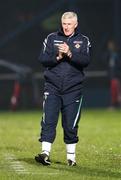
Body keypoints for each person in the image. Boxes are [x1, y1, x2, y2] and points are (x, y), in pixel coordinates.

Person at [35, 11, 91, 166]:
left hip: (73, 89)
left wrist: (70, 53)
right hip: (52, 87)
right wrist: (58, 56)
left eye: (69, 24)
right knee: (48, 121)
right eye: (64, 24)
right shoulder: (51, 38)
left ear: (76, 24)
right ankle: (45, 154)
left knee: (70, 124)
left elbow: (86, 61)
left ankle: (71, 158)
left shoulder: (83, 40)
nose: (66, 27)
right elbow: (42, 59)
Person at [106, 39, 121, 108]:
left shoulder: (116, 55)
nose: (110, 46)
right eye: (109, 45)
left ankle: (113, 105)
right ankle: (113, 105)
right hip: (111, 77)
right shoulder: (109, 55)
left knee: (117, 92)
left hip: (116, 76)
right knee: (113, 92)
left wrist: (117, 75)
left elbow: (118, 66)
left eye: (111, 45)